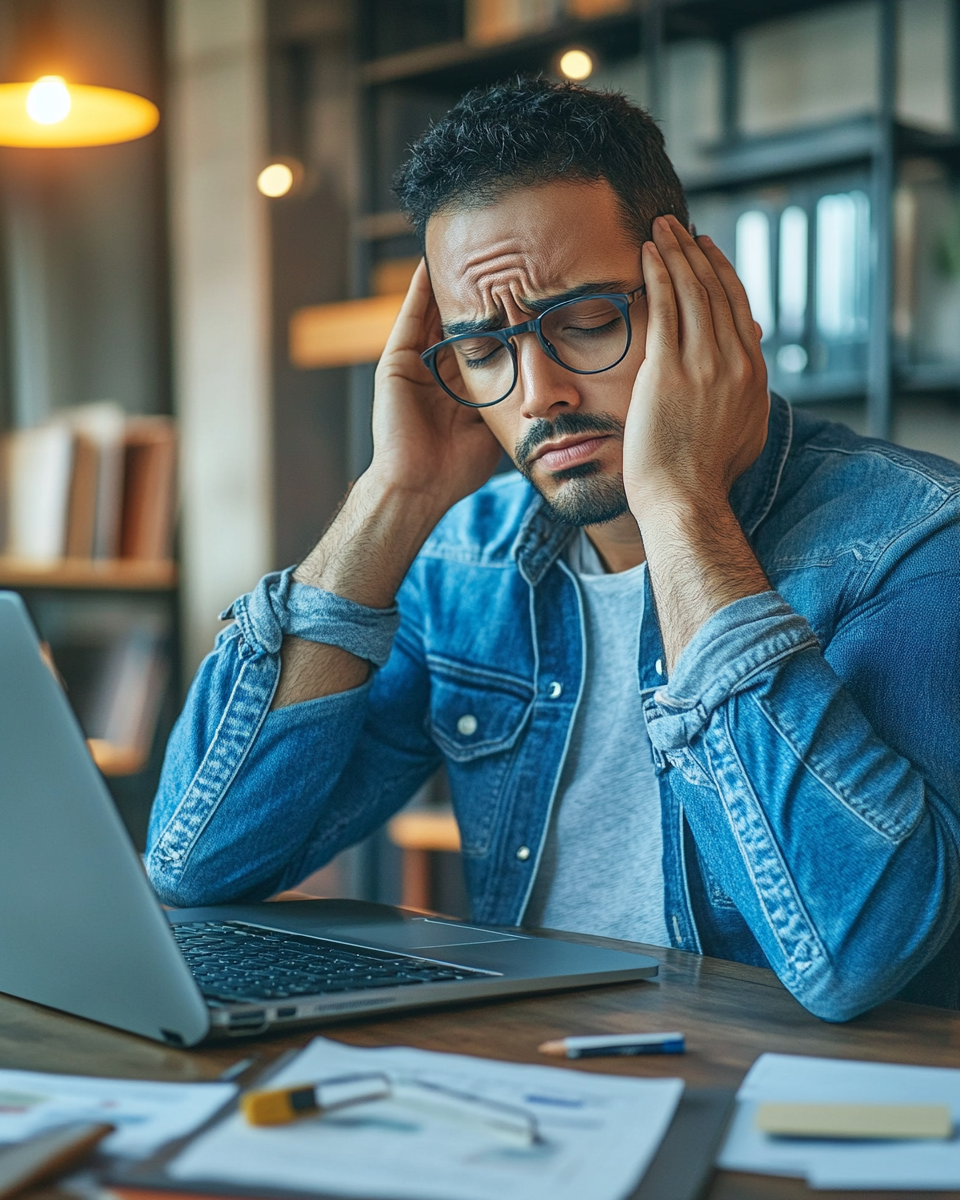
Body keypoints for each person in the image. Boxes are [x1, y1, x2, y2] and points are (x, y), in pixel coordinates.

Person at [147, 78, 960, 1021]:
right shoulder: (469, 564)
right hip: (533, 1092)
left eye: (583, 323)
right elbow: (195, 864)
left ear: (708, 298)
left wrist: (683, 507)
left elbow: (861, 955)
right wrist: (395, 493)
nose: (537, 394)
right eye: (483, 349)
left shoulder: (911, 545)